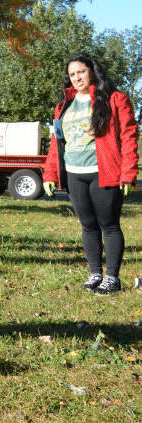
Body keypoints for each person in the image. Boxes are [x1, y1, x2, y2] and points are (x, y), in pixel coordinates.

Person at [42, 53, 138, 294]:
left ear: (92, 71)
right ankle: (95, 273)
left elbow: (128, 138)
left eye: (81, 72)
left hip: (104, 172)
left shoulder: (115, 99)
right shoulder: (63, 105)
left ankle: (112, 278)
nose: (77, 78)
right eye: (72, 74)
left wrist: (128, 173)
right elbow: (57, 142)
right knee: (87, 225)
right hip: (75, 174)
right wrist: (50, 173)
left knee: (109, 225)